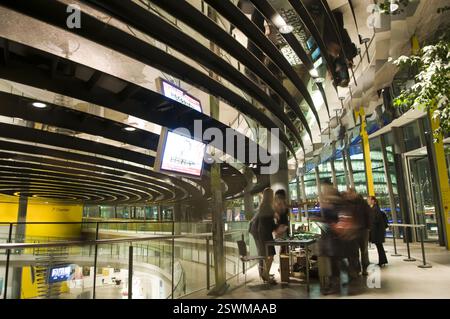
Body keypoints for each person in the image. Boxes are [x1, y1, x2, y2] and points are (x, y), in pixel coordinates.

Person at [344, 188, 373, 276]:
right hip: (353, 230)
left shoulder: (362, 202)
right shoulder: (347, 203)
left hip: (363, 230)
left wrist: (368, 227)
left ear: (355, 193)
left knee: (364, 250)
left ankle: (364, 269)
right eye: (348, 194)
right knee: (354, 251)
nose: (349, 195)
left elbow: (368, 214)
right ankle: (356, 270)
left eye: (350, 193)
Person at [251, 188, 277, 284]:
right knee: (270, 255)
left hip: (262, 234)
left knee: (267, 255)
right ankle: (265, 275)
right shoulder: (268, 207)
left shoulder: (263, 206)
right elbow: (269, 223)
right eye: (273, 195)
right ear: (271, 196)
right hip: (265, 235)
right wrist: (277, 226)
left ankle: (265, 273)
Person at [368, 196, 389, 267]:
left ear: (374, 201)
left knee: (379, 247)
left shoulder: (374, 209)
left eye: (369, 200)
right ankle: (383, 260)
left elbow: (375, 221)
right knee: (380, 247)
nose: (368, 201)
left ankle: (382, 261)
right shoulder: (376, 208)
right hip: (378, 232)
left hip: (377, 232)